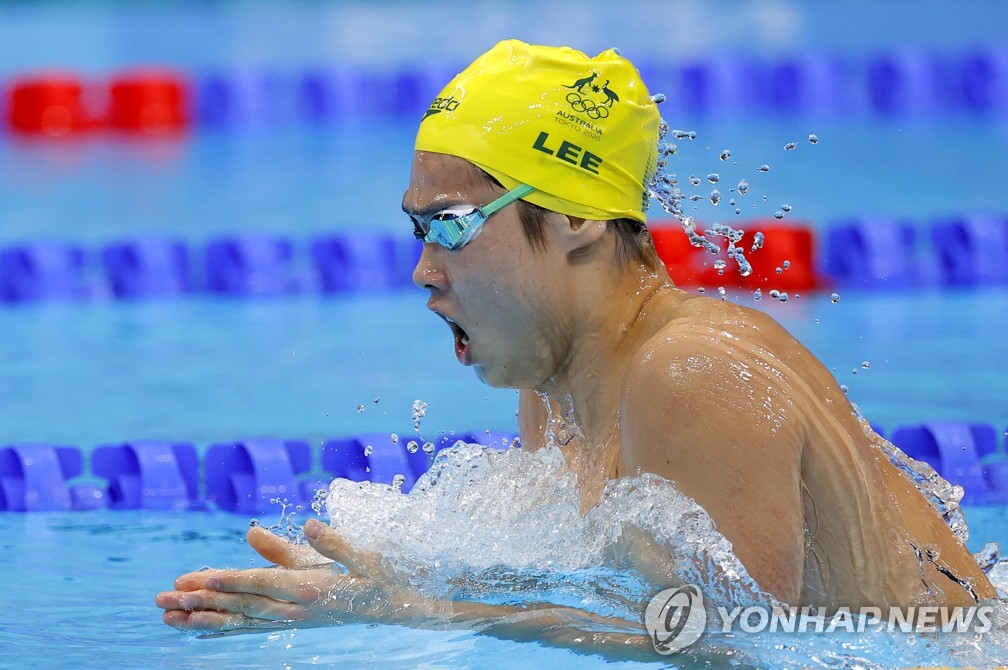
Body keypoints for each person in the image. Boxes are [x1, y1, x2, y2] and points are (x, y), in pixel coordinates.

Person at [156, 40, 997, 655]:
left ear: (577, 219)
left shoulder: (691, 375)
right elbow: (621, 593)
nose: (423, 271)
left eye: (450, 226)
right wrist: (381, 578)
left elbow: (748, 647)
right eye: (416, 230)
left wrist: (426, 610)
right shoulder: (557, 380)